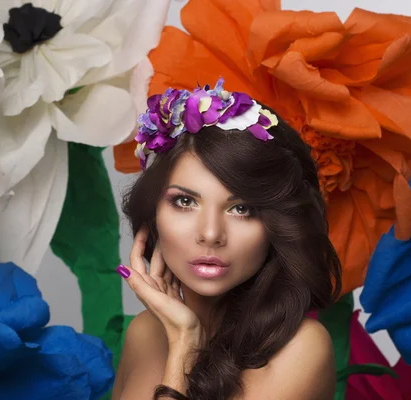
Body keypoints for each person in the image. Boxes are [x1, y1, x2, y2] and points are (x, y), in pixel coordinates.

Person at [111, 78, 342, 400]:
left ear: (275, 224)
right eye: (185, 202)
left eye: (241, 208)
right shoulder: (145, 332)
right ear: (153, 217)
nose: (210, 234)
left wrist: (184, 345)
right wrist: (181, 336)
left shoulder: (301, 349)